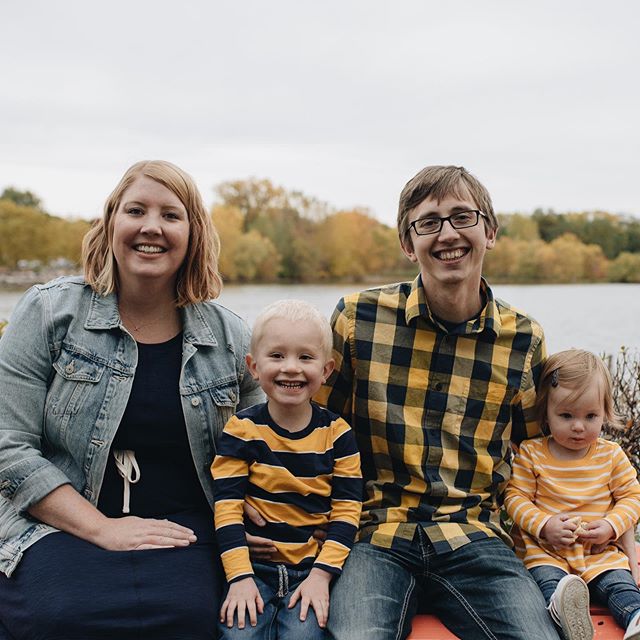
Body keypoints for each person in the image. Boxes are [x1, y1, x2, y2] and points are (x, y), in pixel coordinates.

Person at [0, 160, 264, 639]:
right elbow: (8, 446)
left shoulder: (228, 337)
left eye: (170, 215)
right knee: (60, 616)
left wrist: (258, 509)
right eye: (136, 210)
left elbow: (263, 441)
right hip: (59, 519)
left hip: (182, 526)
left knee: (188, 618)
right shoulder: (48, 312)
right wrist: (103, 529)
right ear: (111, 222)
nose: (151, 228)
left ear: (193, 233)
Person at [314, 165, 560, 639]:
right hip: (374, 534)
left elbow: (535, 455)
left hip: (476, 536)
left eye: (462, 217)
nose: (447, 234)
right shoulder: (357, 319)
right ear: (408, 244)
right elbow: (318, 430)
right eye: (428, 222)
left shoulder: (523, 339)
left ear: (490, 232)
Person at [211, 299, 362, 639]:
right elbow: (228, 508)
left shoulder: (338, 436)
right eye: (276, 356)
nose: (291, 368)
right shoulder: (242, 431)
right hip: (253, 570)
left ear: (326, 370)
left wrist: (322, 576)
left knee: (305, 635)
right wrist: (238, 577)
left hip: (311, 571)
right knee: (239, 633)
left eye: (305, 357)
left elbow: (347, 510)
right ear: (253, 366)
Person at [504, 349, 640, 640]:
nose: (578, 426)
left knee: (620, 584)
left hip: (599, 554)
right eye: (566, 415)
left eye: (590, 416)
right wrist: (544, 525)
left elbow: (632, 497)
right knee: (549, 584)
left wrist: (611, 526)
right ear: (546, 412)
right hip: (547, 553)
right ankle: (564, 614)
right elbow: (515, 498)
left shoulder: (610, 456)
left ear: (605, 412)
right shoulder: (533, 453)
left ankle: (636, 618)